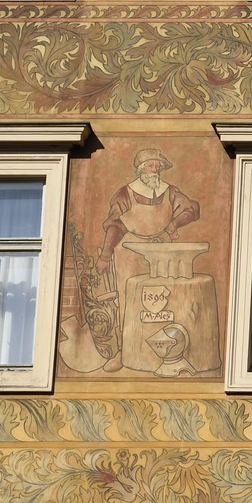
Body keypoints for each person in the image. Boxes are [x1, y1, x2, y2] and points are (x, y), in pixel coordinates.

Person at [96, 149, 201, 369]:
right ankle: (124, 353)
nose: (156, 170)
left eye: (158, 166)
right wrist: (105, 256)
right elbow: (115, 225)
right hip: (128, 254)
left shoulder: (170, 191)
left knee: (165, 300)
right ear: (141, 168)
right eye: (151, 165)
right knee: (129, 302)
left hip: (161, 252)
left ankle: (168, 352)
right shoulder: (125, 194)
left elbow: (190, 209)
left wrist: (172, 226)